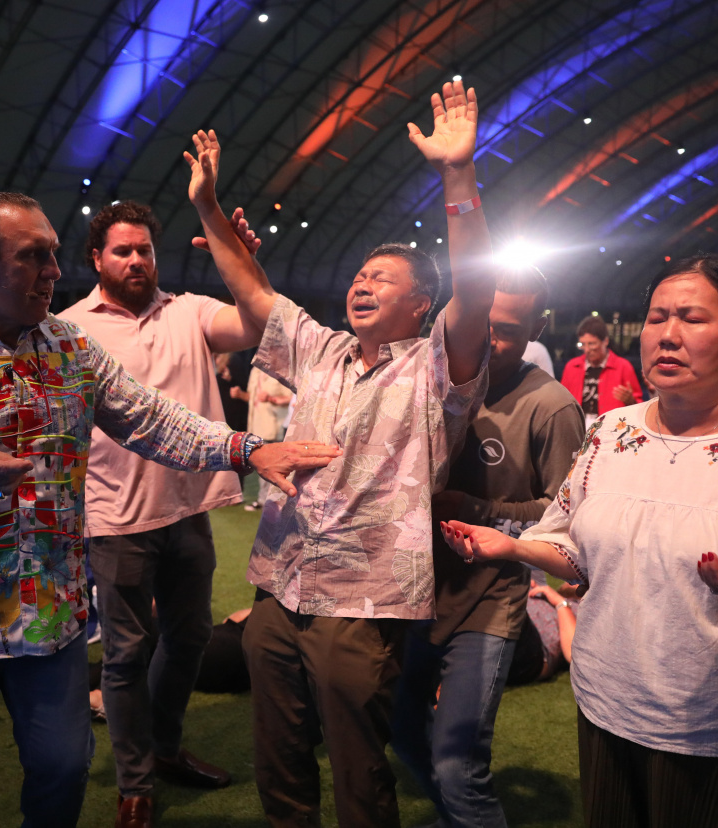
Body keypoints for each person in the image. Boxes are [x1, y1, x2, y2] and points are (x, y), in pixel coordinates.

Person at [0, 190, 334, 828]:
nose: (53, 270)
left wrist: (246, 448)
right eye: (33, 256)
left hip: (49, 612)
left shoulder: (69, 348)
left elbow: (154, 419)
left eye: (53, 254)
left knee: (64, 770)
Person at [185, 78, 493, 828]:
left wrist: (457, 175)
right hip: (279, 583)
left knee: (358, 767)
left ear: (420, 304)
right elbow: (253, 291)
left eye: (382, 279)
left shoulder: (436, 367)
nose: (362, 284)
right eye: (359, 275)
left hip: (363, 601)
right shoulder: (319, 349)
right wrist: (209, 208)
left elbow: (478, 289)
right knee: (279, 756)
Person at [444, 253, 718, 828]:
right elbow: (574, 547)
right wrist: (513, 547)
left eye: (692, 318)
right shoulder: (610, 433)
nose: (668, 335)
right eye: (657, 317)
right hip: (606, 707)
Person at [59, 199, 263, 825]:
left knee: (190, 637)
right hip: (115, 517)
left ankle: (164, 748)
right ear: (97, 259)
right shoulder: (69, 329)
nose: (136, 260)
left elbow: (258, 324)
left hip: (188, 509)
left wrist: (242, 260)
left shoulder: (189, 311)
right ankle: (135, 783)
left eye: (144, 249)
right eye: (122, 250)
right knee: (125, 653)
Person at [389, 265, 584, 828]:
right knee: (401, 728)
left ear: (538, 329)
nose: (490, 340)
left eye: (509, 330)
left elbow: (568, 519)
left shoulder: (550, 407)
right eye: (483, 322)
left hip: (487, 604)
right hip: (410, 594)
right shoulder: (422, 381)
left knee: (458, 765)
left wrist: (475, 510)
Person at [561, 316, 643, 428]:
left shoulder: (623, 367)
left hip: (611, 429)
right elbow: (562, 401)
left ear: (605, 341)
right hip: (577, 427)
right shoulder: (572, 367)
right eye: (583, 344)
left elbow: (640, 408)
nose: (587, 350)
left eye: (592, 344)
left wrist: (631, 401)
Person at [242, 365, 292, 511]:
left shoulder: (282, 370)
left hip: (276, 426)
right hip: (258, 426)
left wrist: (271, 399)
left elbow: (294, 397)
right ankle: (263, 500)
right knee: (262, 465)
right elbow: (251, 397)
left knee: (279, 466)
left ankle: (279, 502)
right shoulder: (256, 370)